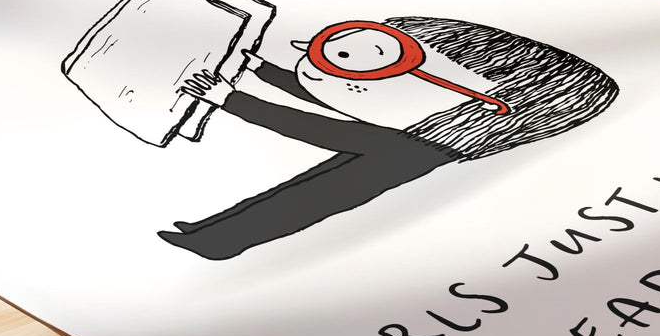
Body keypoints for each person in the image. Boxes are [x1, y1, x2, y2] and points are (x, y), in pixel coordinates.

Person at [157, 17, 619, 260]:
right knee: (316, 189)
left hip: (438, 139)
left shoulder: (427, 118)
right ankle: (211, 236)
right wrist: (259, 69)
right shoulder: (417, 91)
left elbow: (321, 127)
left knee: (321, 193)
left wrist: (231, 100)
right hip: (443, 128)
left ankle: (216, 242)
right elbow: (332, 96)